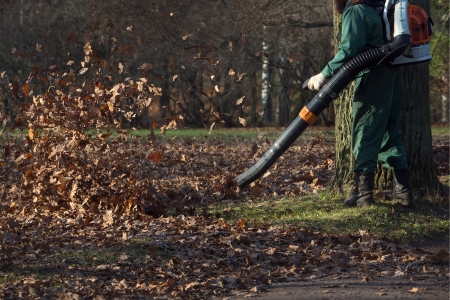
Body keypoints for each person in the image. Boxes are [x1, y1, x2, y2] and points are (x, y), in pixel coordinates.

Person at [307, 0, 414, 208]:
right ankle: (405, 192)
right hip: (392, 76)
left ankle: (363, 195)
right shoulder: (378, 7)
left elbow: (348, 51)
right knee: (389, 132)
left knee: (365, 131)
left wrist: (323, 75)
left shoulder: (357, 11)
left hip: (374, 77)